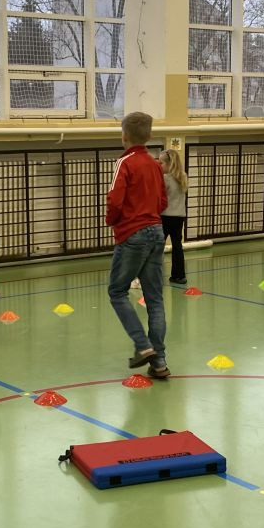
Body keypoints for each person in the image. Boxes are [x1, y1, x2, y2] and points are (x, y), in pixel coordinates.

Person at [106, 112, 169, 379]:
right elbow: (163, 201)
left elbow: (114, 199)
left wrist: (113, 221)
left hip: (133, 234)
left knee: (117, 291)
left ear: (124, 136)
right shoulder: (155, 165)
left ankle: (143, 346)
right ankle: (160, 362)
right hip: (156, 231)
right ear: (150, 136)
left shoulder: (124, 162)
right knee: (155, 298)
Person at [157, 149, 188, 285]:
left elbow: (160, 197)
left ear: (169, 164)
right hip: (179, 216)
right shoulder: (183, 176)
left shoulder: (165, 178)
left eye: (161, 163)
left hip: (165, 216)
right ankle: (179, 275)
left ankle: (155, 275)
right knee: (177, 246)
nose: (159, 165)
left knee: (158, 247)